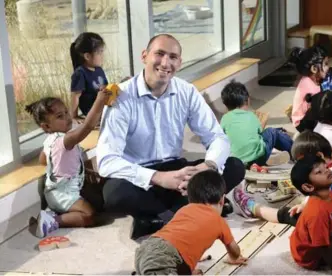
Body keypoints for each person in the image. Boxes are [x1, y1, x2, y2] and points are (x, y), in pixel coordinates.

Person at [96, 34, 245, 240]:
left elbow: (217, 137)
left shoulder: (187, 91)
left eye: (173, 57)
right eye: (159, 54)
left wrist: (207, 167)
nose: (166, 63)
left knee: (234, 166)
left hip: (178, 170)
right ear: (144, 56)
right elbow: (106, 161)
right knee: (114, 194)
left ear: (180, 63)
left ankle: (156, 219)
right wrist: (159, 178)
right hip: (142, 177)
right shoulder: (122, 96)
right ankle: (189, 212)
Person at [232, 131, 332, 233]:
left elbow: (318, 203)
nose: (299, 167)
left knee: (288, 214)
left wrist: (303, 207)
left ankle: (253, 208)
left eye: (302, 162)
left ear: (318, 156)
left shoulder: (324, 180)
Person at [25, 88, 111, 238]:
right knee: (89, 215)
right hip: (63, 194)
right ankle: (52, 221)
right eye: (60, 116)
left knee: (99, 198)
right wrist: (99, 101)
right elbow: (88, 127)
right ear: (46, 127)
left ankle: (55, 210)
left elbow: (42, 160)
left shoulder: (50, 141)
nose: (67, 117)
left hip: (61, 189)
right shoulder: (65, 140)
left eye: (66, 112)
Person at [134, 170, 247, 275]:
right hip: (163, 256)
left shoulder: (184, 210)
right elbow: (234, 249)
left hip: (147, 248)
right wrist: (234, 258)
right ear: (222, 200)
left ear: (190, 199)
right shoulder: (219, 221)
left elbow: (183, 242)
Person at [220, 80, 293, 169]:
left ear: (225, 104)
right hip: (258, 158)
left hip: (237, 162)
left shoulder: (224, 119)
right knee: (272, 132)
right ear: (247, 100)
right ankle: (295, 151)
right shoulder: (251, 115)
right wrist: (264, 121)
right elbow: (259, 133)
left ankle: (253, 164)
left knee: (273, 132)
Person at [70, 32, 108, 122]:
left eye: (102, 52)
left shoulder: (99, 70)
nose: (102, 56)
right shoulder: (80, 73)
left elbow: (106, 87)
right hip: (93, 112)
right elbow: (75, 96)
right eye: (99, 53)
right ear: (87, 56)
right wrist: (74, 116)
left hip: (104, 107)